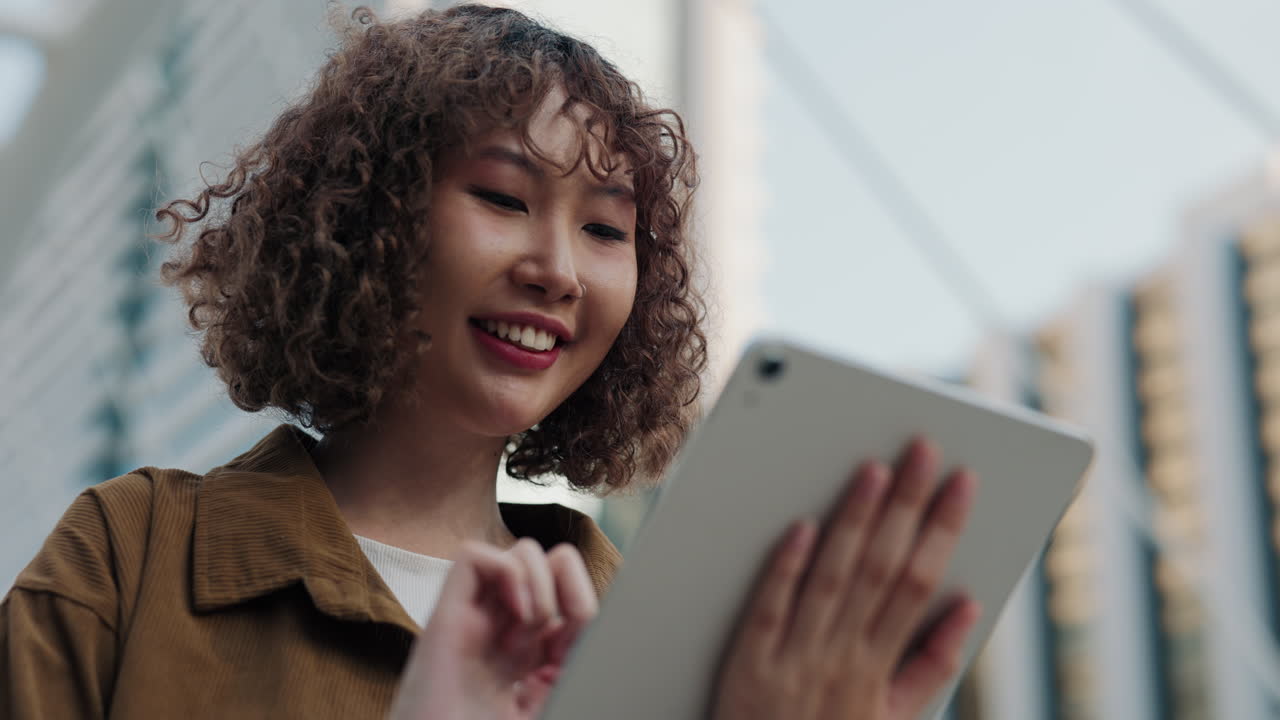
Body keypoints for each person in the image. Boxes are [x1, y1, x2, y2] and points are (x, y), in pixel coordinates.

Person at [0, 4, 980, 719]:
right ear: (364, 222)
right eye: (504, 200)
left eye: (605, 229)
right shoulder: (131, 564)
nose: (557, 269)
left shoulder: (658, 630)